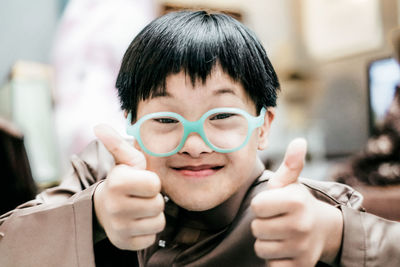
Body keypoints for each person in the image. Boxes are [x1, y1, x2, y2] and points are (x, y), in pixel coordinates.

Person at [0, 10, 399, 267]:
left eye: (222, 115)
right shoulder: (98, 174)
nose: (193, 144)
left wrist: (334, 235)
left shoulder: (300, 209)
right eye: (165, 118)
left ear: (263, 127)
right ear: (131, 125)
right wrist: (95, 215)